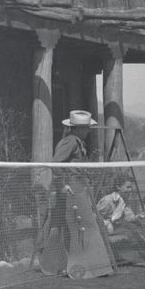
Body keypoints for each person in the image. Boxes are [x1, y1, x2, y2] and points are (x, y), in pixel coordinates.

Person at [36, 110, 116, 278]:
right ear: (77, 128)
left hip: (79, 187)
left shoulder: (78, 142)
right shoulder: (70, 142)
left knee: (63, 226)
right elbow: (56, 164)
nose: (88, 131)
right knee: (85, 226)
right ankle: (90, 267)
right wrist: (63, 184)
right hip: (72, 189)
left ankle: (58, 264)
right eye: (86, 128)